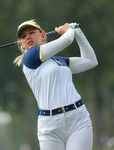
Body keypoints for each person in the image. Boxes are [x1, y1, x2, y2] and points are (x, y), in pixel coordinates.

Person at [14, 19, 98, 150]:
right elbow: (67, 40)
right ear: (21, 44)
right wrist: (69, 31)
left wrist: (78, 32)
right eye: (23, 36)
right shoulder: (29, 57)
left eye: (31, 32)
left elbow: (90, 61)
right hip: (49, 127)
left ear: (42, 35)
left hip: (78, 119)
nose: (28, 37)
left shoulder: (59, 61)